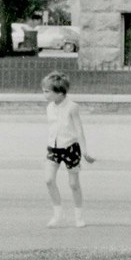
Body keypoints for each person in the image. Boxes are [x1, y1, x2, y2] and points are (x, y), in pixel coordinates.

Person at [41, 71, 95, 228]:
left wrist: (84, 151)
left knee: (73, 184)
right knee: (48, 180)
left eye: (47, 91)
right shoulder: (50, 107)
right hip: (53, 148)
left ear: (59, 92)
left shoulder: (72, 107)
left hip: (70, 148)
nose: (44, 95)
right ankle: (58, 214)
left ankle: (78, 216)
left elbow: (79, 130)